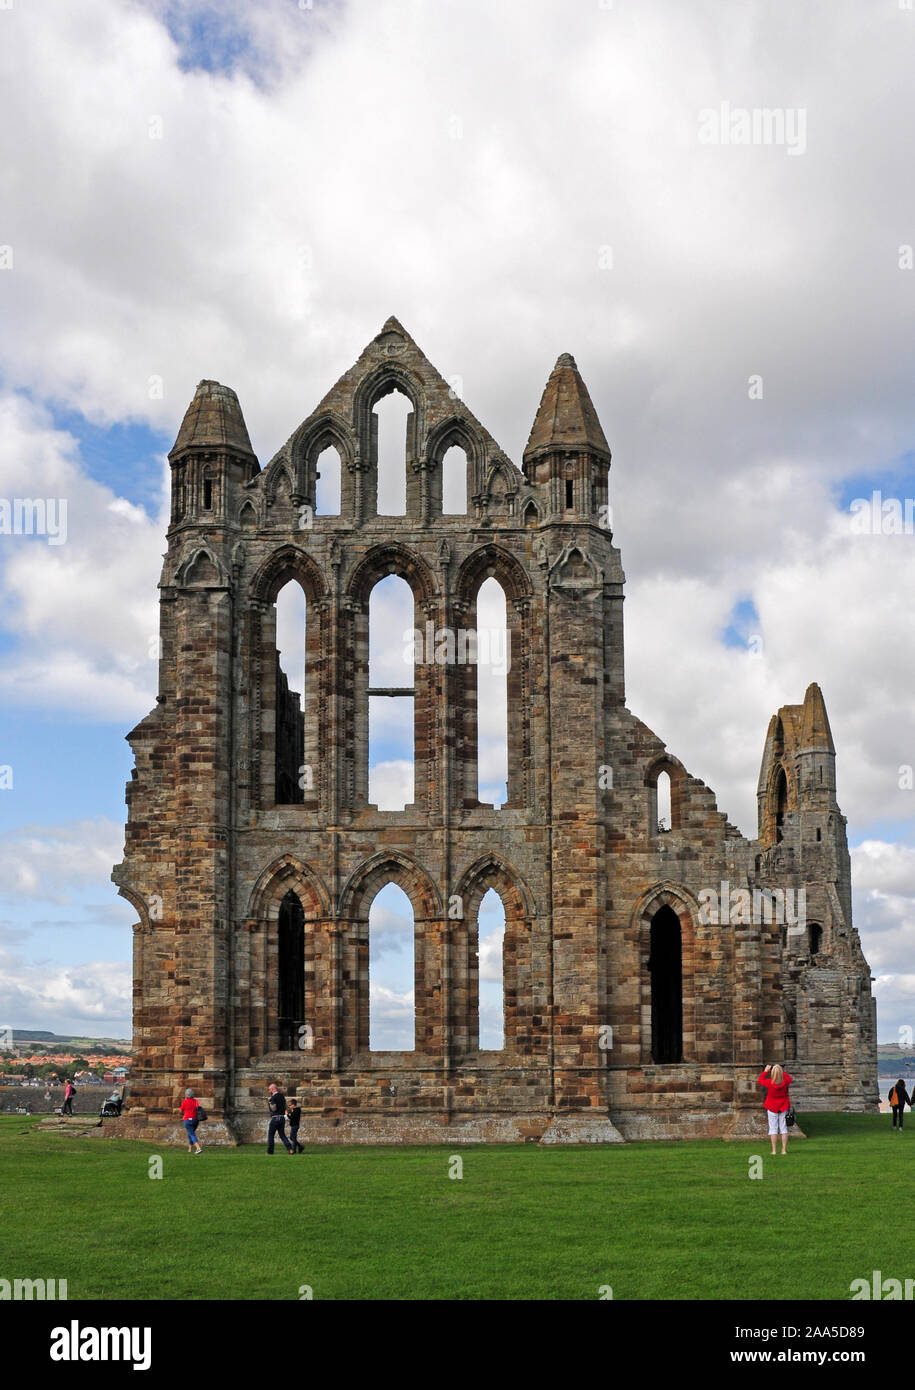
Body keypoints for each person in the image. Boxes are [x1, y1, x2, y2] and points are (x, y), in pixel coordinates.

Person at [758, 1063, 793, 1155]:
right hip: (783, 1106)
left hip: (772, 1107)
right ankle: (784, 1150)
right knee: (783, 1128)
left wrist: (766, 1071)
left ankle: (774, 1150)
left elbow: (760, 1080)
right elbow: (789, 1078)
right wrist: (780, 1070)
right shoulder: (785, 1082)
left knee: (773, 1129)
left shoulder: (769, 1082)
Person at [267, 1083, 293, 1154]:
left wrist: (270, 1104)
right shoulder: (282, 1096)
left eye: (269, 1090)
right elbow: (286, 1107)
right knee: (282, 1135)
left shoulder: (273, 1097)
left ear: (272, 1089)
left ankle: (270, 1152)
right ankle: (290, 1149)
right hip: (282, 1118)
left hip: (275, 1118)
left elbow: (274, 1108)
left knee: (271, 1135)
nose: (269, 1091)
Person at [179, 1088, 203, 1154]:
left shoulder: (185, 1101)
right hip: (195, 1120)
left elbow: (180, 1110)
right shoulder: (196, 1101)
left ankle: (198, 1148)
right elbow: (198, 1108)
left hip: (187, 1120)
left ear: (186, 1095)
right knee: (191, 1133)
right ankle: (189, 1148)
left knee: (192, 1134)